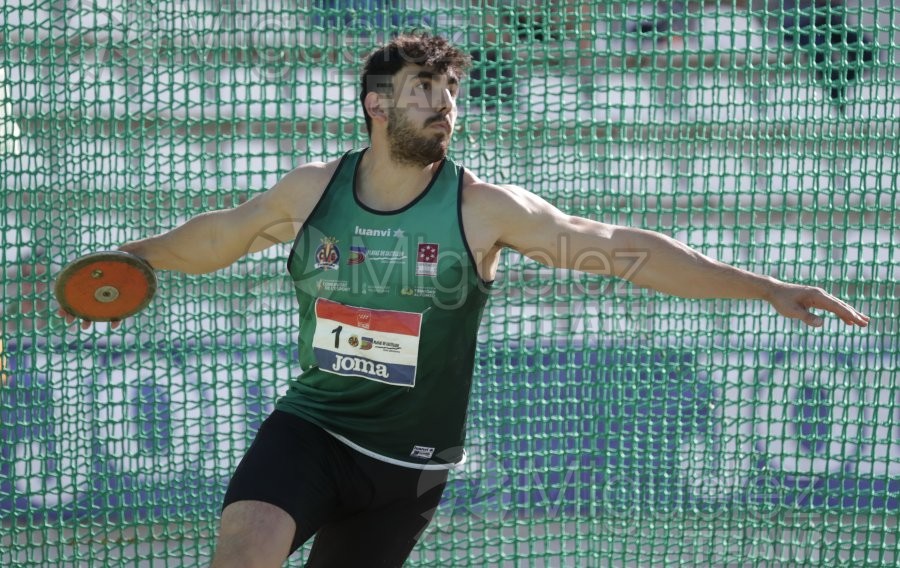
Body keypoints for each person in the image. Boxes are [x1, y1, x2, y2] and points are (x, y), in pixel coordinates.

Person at [59, 32, 870, 567]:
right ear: (376, 106)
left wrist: (765, 288)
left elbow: (624, 251)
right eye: (421, 90)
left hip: (408, 466)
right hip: (311, 426)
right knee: (244, 548)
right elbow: (216, 239)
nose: (442, 103)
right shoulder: (312, 191)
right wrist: (129, 259)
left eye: (448, 91)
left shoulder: (484, 209)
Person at [630, 0, 878, 106]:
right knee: (819, 48)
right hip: (796, 28)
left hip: (816, 24)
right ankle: (835, 97)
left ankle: (838, 99)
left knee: (863, 51)